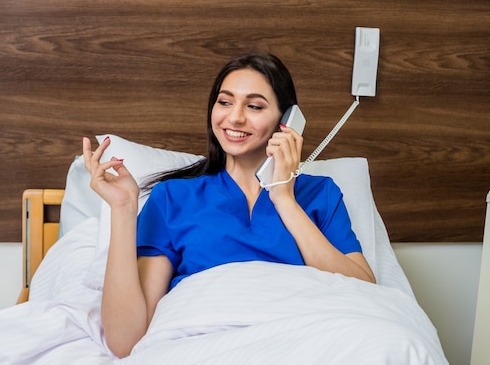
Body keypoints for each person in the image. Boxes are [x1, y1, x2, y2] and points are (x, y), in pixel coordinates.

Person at [82, 52, 375, 358]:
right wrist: (123, 210)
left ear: (286, 122)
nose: (235, 117)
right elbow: (125, 340)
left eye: (255, 106)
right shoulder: (173, 199)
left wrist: (283, 196)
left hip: (303, 347)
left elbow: (364, 290)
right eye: (225, 102)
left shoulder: (320, 194)